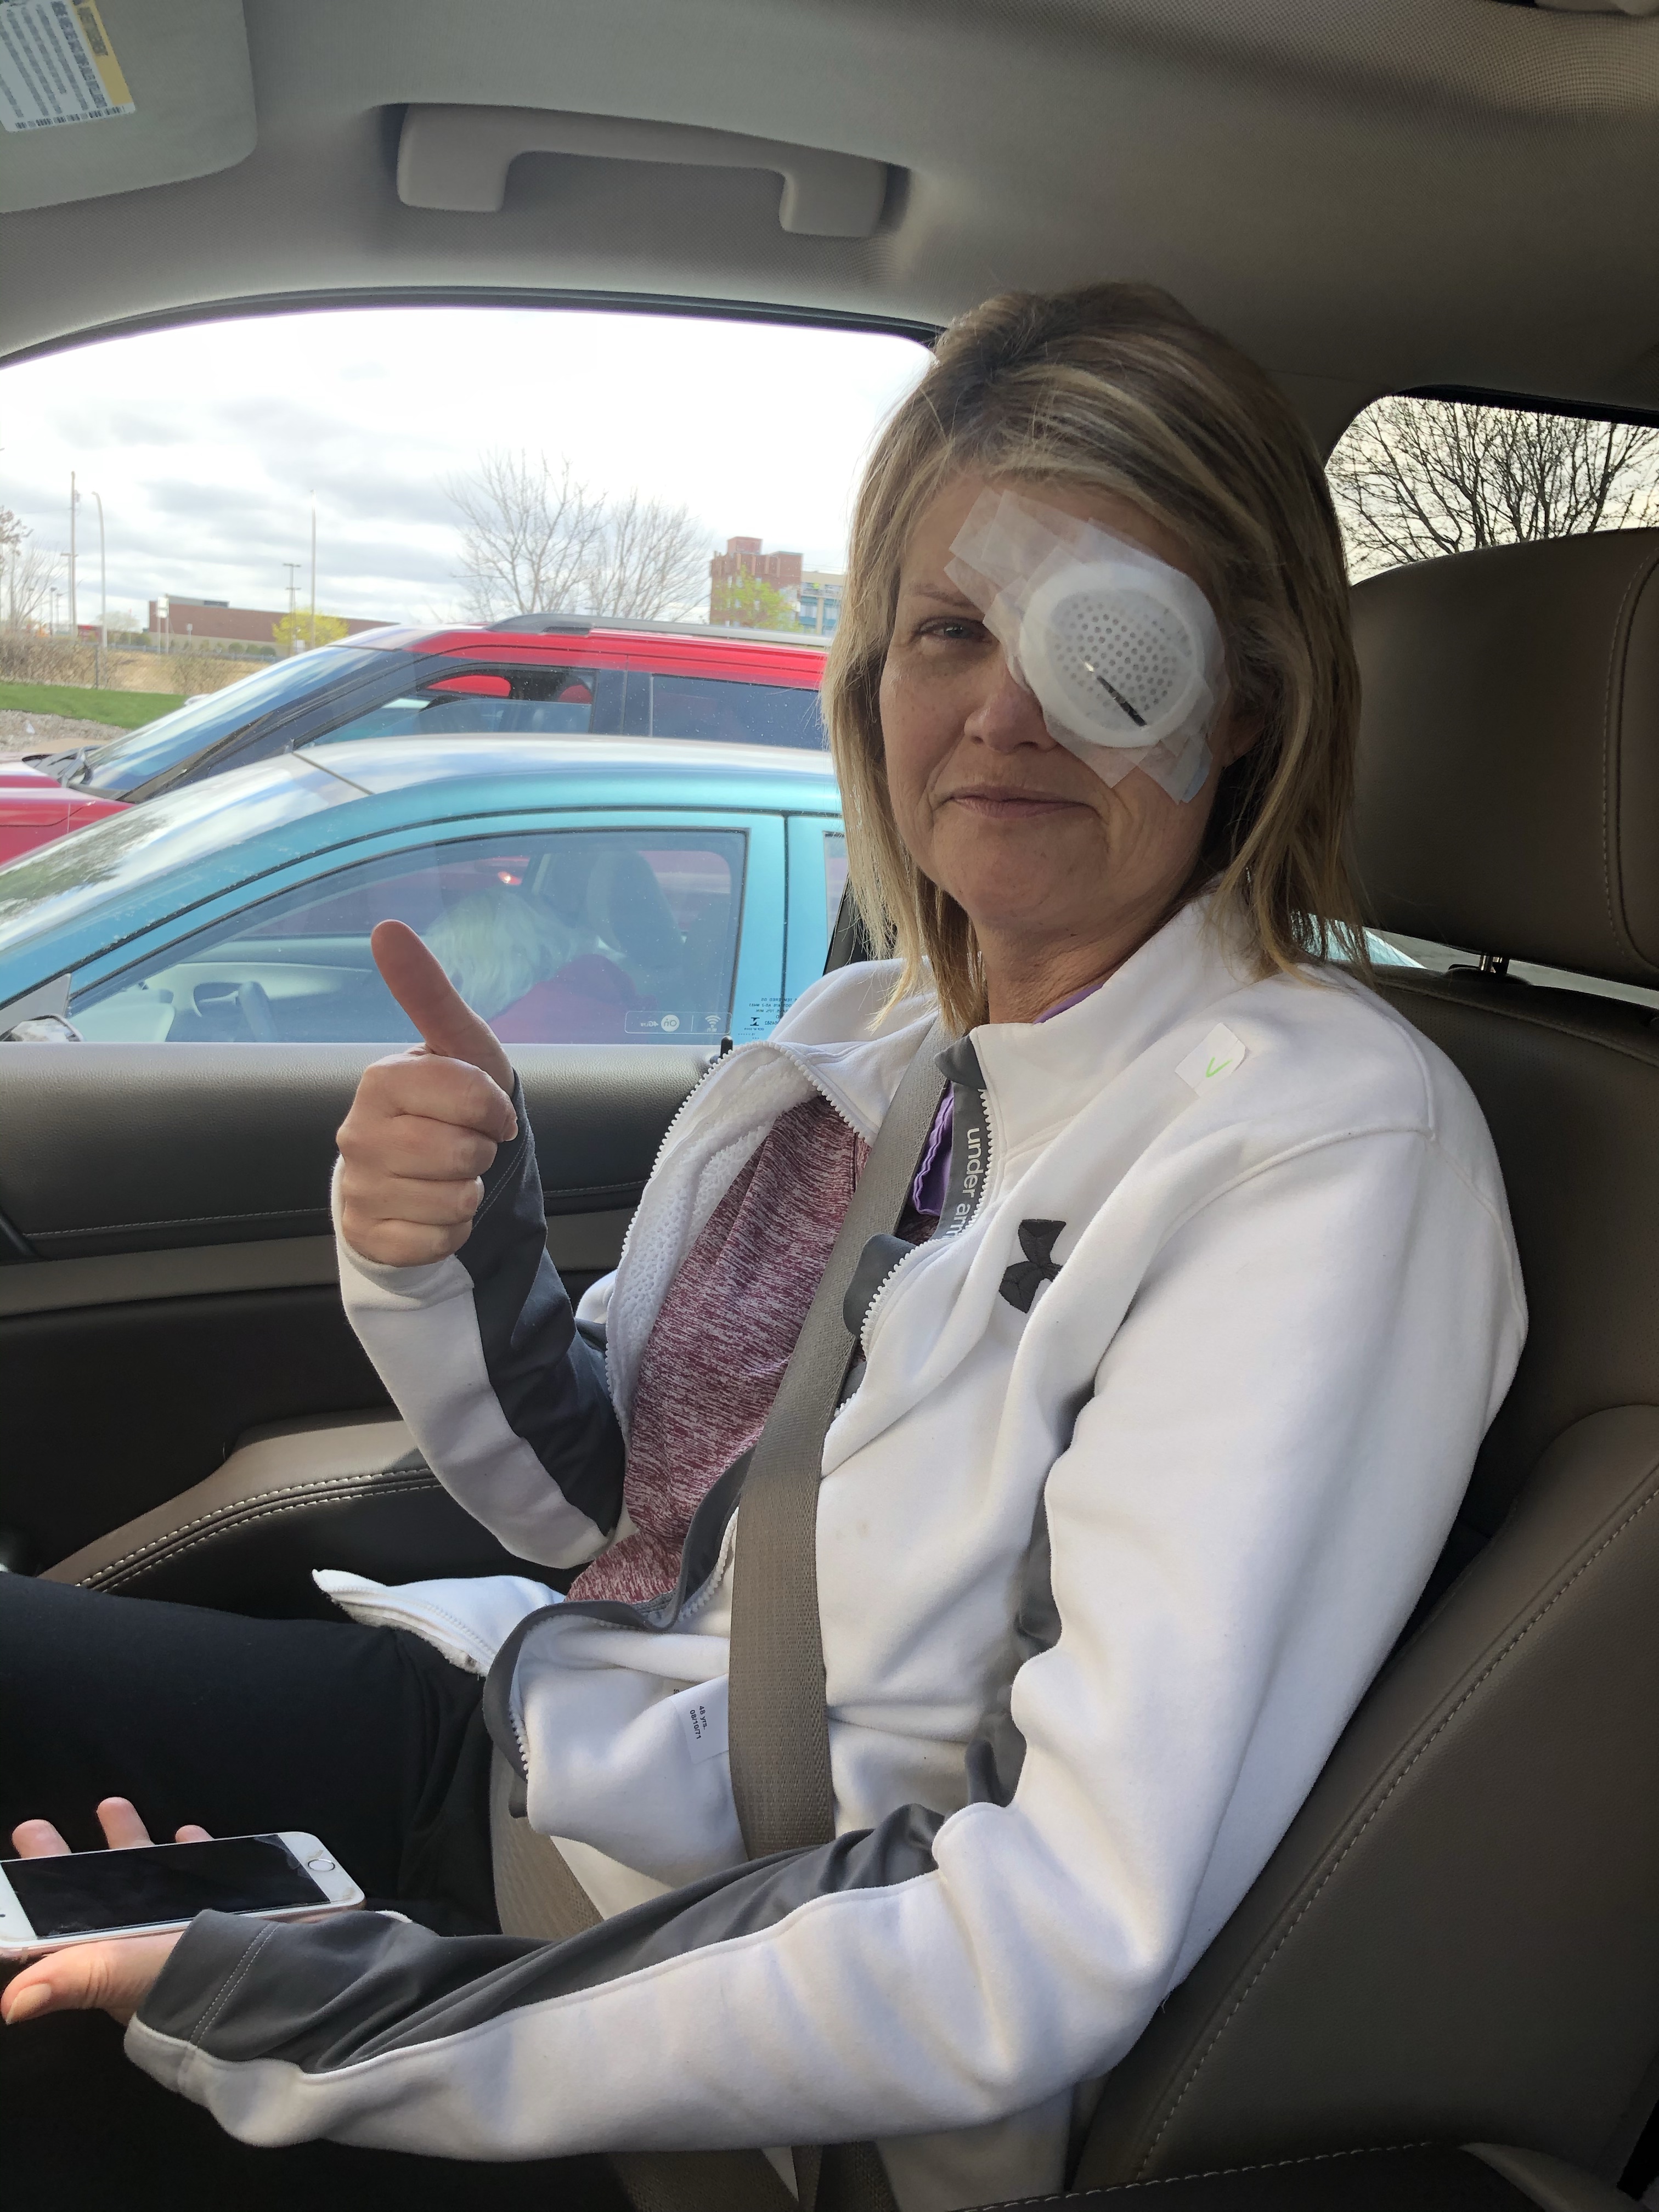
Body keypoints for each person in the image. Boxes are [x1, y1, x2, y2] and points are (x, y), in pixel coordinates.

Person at [0, 284, 1525, 2212]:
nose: (1005, 709)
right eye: (949, 630)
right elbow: (616, 1522)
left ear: (1244, 701)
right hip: (530, 1747)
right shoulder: (874, 1046)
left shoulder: (1318, 1148)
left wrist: (337, 2013)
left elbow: (1043, 1929)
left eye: (1106, 639)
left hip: (744, 2046)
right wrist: (447, 1257)